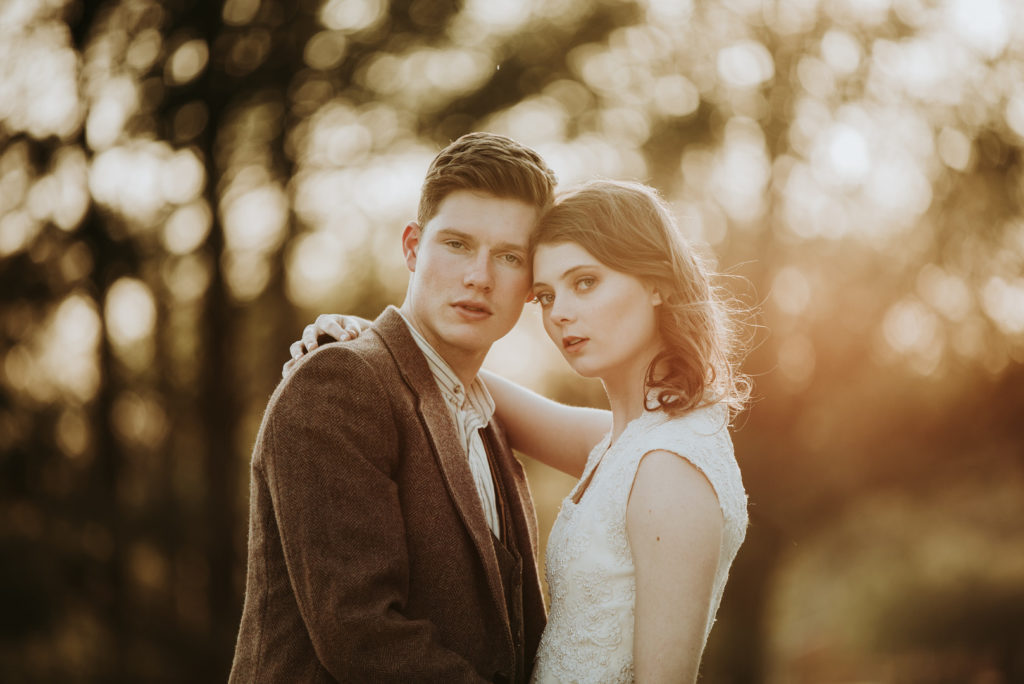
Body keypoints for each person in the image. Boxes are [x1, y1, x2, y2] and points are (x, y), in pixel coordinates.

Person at [292, 179, 751, 682]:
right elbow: (451, 374)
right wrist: (375, 339)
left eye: (585, 282)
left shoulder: (669, 467)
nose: (561, 314)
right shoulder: (625, 443)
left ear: (657, 281)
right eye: (547, 296)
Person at [229, 132, 559, 683]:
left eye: (508, 256)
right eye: (456, 244)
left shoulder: (486, 418)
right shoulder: (337, 383)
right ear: (411, 247)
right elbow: (363, 634)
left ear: (531, 285)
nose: (480, 276)